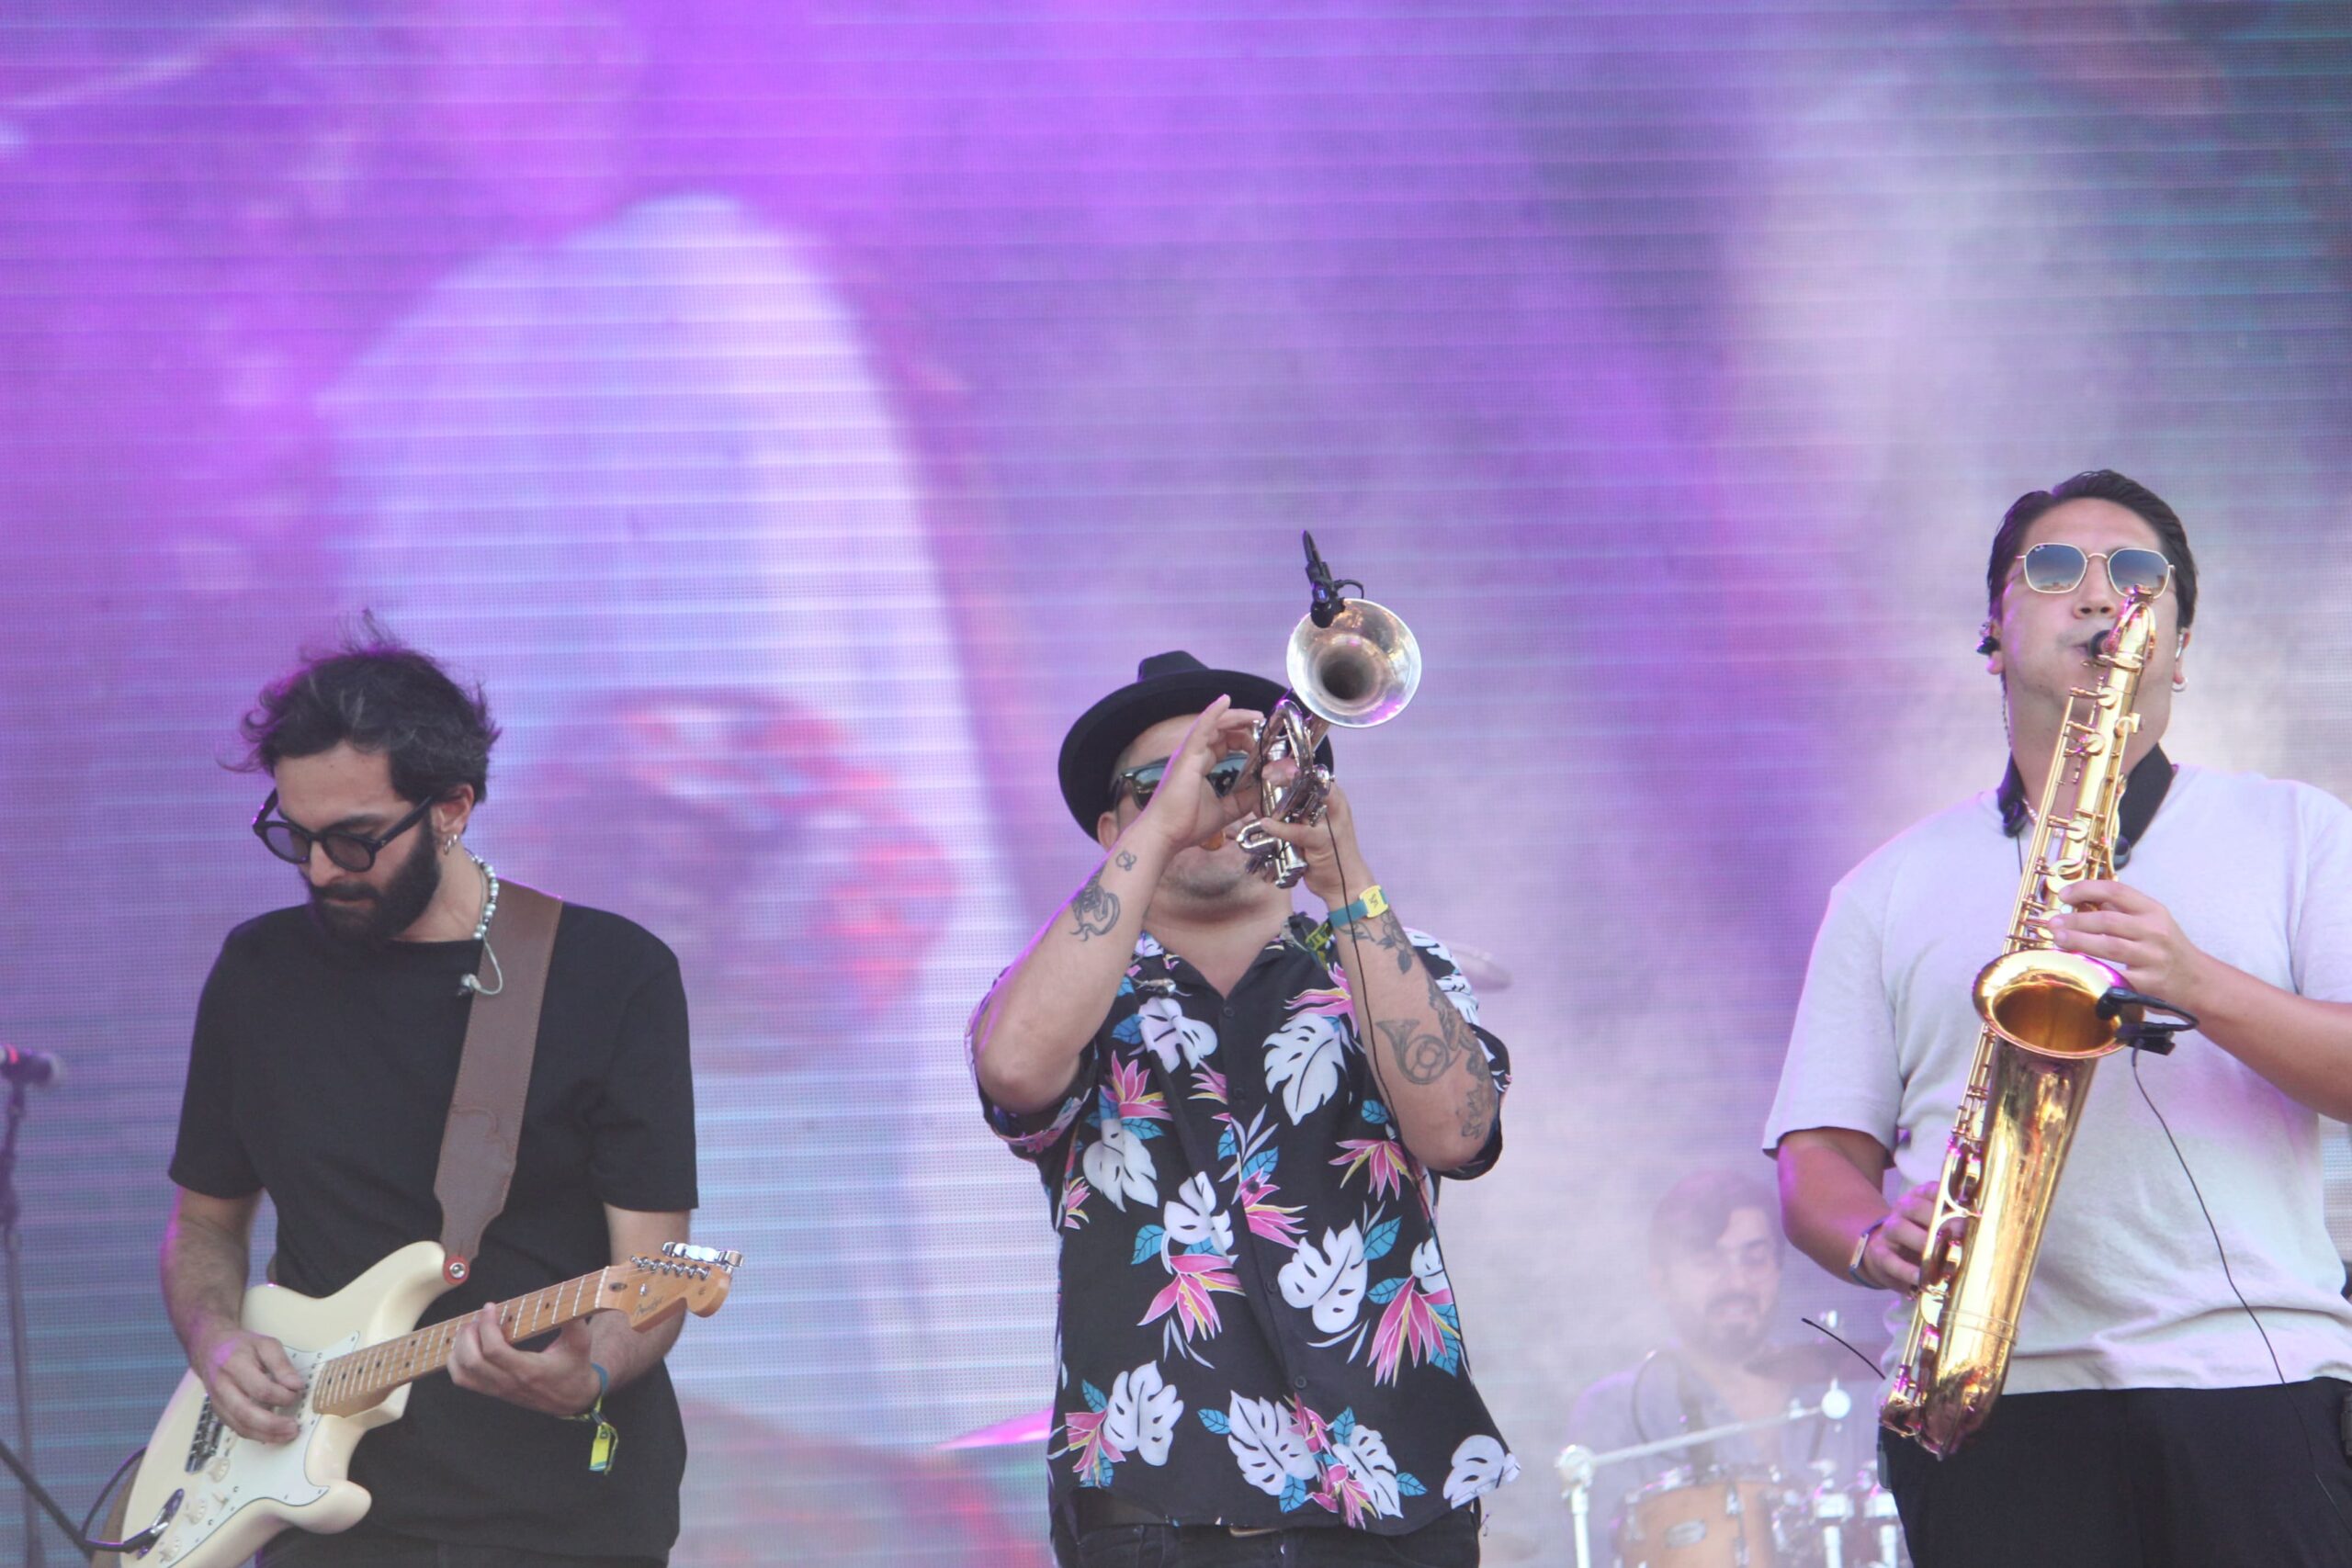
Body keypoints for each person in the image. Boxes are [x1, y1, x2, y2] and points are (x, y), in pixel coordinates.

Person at [1768, 470, 2352, 1567]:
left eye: (2135, 574)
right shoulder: (1884, 887)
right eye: (2051, 569)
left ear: (2178, 646)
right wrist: (1868, 1237)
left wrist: (2198, 982)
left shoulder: (2298, 832)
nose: (2096, 593)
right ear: (1991, 634)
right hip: (1991, 1403)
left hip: (2252, 1386)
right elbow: (1815, 1161)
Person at [161, 625, 699, 1567]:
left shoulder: (611, 974)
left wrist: (593, 1370)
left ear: (451, 807)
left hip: (556, 1519)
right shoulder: (258, 972)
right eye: (295, 836)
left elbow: (654, 1268)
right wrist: (215, 1340)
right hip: (309, 1502)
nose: (321, 870)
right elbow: (204, 1224)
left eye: (355, 840)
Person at [968, 650, 1520, 1566]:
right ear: (1113, 830)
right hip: (1160, 1514)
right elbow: (1015, 1069)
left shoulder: (1397, 961)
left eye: (1237, 772)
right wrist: (1164, 829)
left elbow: (1459, 1133)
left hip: (1400, 1504)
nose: (1210, 798)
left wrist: (1344, 881)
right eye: (1161, 784)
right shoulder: (1071, 993)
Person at [1563, 1169, 1877, 1560]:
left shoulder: (1851, 1393)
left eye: (1755, 1259)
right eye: (1709, 1260)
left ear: (1778, 1270)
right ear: (1661, 1282)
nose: (1737, 1283)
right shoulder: (1617, 1412)